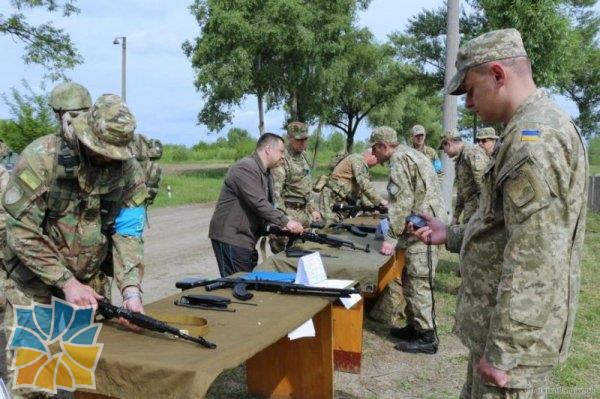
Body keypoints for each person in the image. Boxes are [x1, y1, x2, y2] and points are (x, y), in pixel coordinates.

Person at [410, 29, 587, 398]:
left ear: (498, 75)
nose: (469, 104)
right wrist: (452, 233)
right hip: (500, 333)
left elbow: (536, 257)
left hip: (511, 347)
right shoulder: (527, 129)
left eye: (471, 90)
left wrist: (505, 351)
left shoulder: (533, 141)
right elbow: (503, 225)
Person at [2, 94, 148, 398]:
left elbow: (129, 232)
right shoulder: (42, 158)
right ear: (85, 134)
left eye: (116, 154)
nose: (109, 159)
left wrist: (131, 290)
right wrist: (66, 282)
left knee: (81, 375)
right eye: (102, 151)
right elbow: (21, 232)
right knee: (33, 383)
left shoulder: (130, 169)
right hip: (34, 284)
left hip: (88, 288)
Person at [368, 126, 445, 354]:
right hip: (421, 225)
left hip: (423, 230)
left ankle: (427, 337)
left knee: (419, 280)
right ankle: (415, 326)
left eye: (375, 148)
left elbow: (402, 202)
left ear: (384, 145)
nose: (374, 154)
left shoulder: (400, 159)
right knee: (410, 277)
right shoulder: (411, 154)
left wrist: (390, 237)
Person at [209, 133, 304, 276]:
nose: (284, 156)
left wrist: (278, 226)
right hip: (232, 237)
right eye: (281, 151)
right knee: (236, 285)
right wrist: (286, 221)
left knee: (247, 283)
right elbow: (258, 203)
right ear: (268, 149)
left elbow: (268, 205)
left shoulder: (265, 172)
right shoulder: (245, 168)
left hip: (245, 238)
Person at [270, 122, 321, 252]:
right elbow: (276, 193)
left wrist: (312, 209)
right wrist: (284, 220)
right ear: (289, 137)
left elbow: (307, 185)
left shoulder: (304, 156)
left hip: (304, 215)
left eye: (305, 139)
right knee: (282, 257)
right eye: (299, 139)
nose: (303, 142)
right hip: (288, 214)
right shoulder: (282, 158)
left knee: (303, 254)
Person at [317, 149, 387, 223]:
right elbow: (364, 185)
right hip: (331, 198)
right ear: (372, 155)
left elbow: (362, 192)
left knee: (340, 227)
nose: (377, 164)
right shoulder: (357, 159)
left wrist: (372, 207)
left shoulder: (363, 169)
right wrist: (381, 201)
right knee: (329, 226)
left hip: (342, 201)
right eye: (378, 161)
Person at [439, 129, 488, 225]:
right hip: (471, 208)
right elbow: (461, 191)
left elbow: (484, 184)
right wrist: (456, 217)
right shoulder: (460, 160)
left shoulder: (471, 153)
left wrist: (484, 209)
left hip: (479, 209)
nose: (444, 152)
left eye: (443, 147)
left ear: (448, 143)